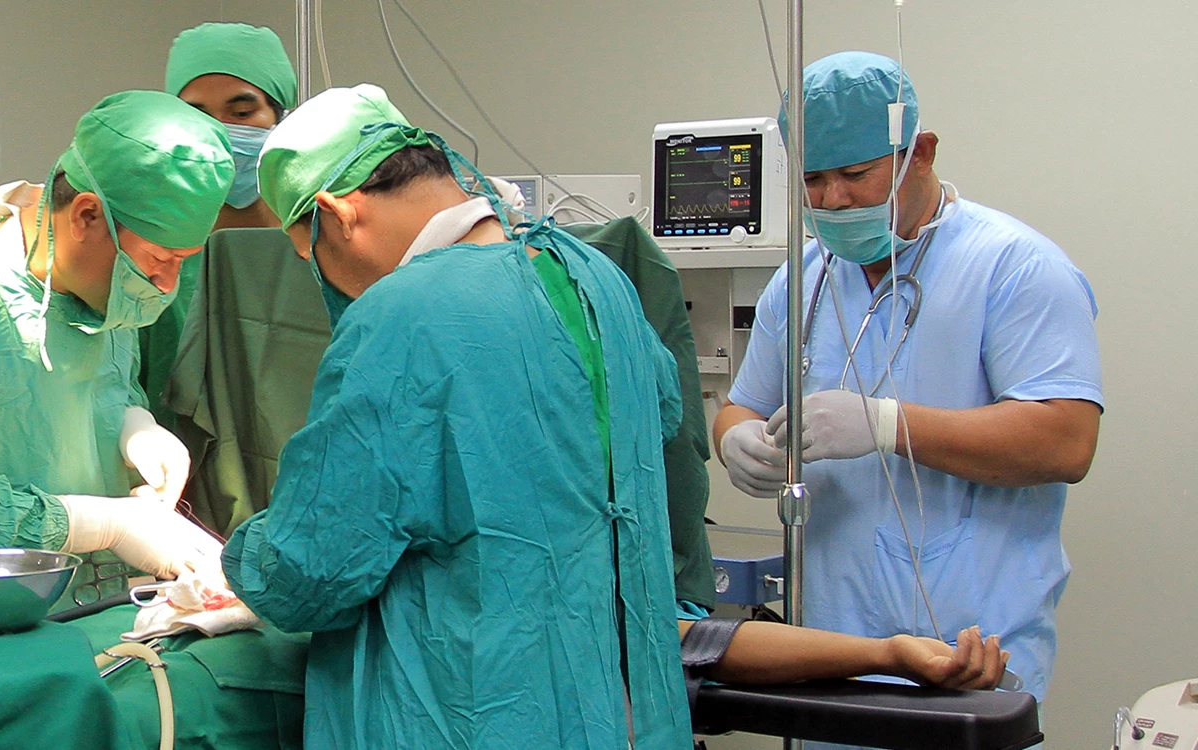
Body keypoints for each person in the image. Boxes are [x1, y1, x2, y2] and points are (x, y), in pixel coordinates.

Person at [222, 83, 693, 749]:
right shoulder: (595, 275)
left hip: (477, 712)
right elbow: (659, 412)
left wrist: (235, 561)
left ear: (338, 213)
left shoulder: (400, 319)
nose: (325, 282)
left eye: (312, 253)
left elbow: (310, 573)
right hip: (623, 708)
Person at [713, 51, 1101, 704]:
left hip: (971, 648)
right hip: (828, 649)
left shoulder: (1014, 267)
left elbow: (1065, 441)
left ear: (920, 151)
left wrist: (891, 425)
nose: (832, 199)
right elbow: (744, 405)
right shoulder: (802, 278)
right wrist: (736, 441)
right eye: (812, 179)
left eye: (856, 175)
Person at [0, 91, 233, 595]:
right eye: (160, 257)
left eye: (184, 260)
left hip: (96, 617)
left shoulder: (107, 291)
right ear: (86, 216)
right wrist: (107, 524)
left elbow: (86, 396)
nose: (166, 284)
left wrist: (131, 427)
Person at [140, 21, 299, 431]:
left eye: (242, 113)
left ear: (280, 116)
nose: (221, 131)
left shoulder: (322, 235)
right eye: (197, 115)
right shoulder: (149, 243)